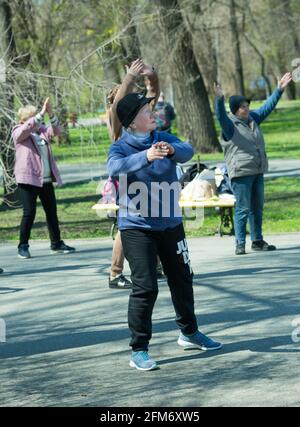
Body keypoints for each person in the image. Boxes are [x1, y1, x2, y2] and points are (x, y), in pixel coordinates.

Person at [107, 92, 222, 371]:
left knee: (182, 279)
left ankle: (189, 333)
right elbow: (114, 168)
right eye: (147, 111)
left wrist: (172, 151)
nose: (153, 114)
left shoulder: (164, 137)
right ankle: (139, 349)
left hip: (171, 224)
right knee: (146, 287)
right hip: (138, 228)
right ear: (132, 122)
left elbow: (188, 149)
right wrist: (145, 156)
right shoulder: (121, 147)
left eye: (152, 109)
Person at [214, 73, 292, 255]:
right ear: (235, 110)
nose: (246, 108)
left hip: (257, 170)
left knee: (257, 207)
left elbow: (267, 107)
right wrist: (219, 100)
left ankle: (257, 240)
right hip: (241, 173)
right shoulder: (229, 125)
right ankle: (240, 243)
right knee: (243, 208)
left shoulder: (252, 120)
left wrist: (279, 89)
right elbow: (220, 117)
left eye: (247, 105)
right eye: (242, 107)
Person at [106, 59, 160, 289]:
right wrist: (129, 77)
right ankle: (115, 273)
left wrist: (152, 76)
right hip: (129, 178)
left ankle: (156, 264)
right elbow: (120, 101)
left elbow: (153, 94)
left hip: (150, 176)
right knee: (128, 226)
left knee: (156, 218)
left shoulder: (142, 117)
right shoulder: (118, 122)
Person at [12, 98, 75, 259]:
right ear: (24, 120)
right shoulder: (18, 132)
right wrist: (40, 114)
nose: (37, 121)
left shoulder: (42, 132)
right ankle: (23, 246)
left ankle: (56, 243)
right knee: (29, 212)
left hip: (45, 179)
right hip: (28, 180)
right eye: (33, 118)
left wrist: (50, 113)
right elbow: (26, 129)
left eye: (38, 118)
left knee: (51, 212)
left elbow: (57, 130)